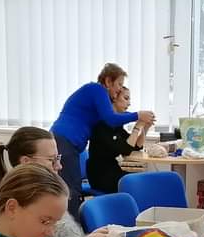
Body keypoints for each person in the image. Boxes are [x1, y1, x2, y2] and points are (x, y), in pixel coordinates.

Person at [0, 127, 107, 237]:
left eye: (58, 159)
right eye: (52, 160)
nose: (59, 166)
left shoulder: (48, 196)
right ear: (26, 162)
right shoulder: (24, 208)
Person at [50, 63, 156, 219]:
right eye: (119, 84)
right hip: (65, 140)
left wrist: (141, 124)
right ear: (107, 81)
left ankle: (72, 227)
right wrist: (137, 115)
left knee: (71, 188)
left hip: (67, 142)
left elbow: (114, 122)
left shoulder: (98, 99)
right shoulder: (96, 89)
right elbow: (111, 118)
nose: (119, 89)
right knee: (71, 190)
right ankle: (71, 229)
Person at [87, 85, 149, 194]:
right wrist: (137, 126)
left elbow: (136, 146)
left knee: (144, 180)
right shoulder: (102, 124)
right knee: (140, 184)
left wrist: (145, 127)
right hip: (101, 175)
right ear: (114, 98)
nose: (129, 103)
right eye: (126, 98)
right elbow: (126, 149)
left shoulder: (117, 124)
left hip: (113, 171)